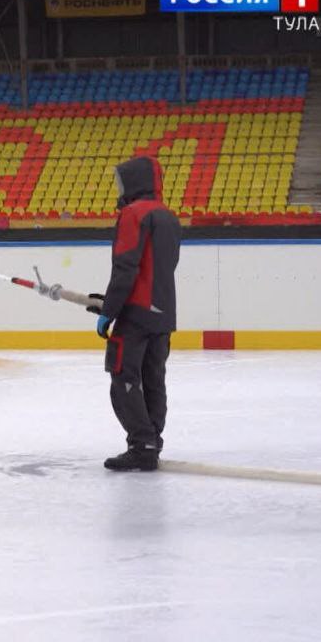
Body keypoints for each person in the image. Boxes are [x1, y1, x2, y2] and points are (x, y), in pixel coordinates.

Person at [87, 155, 181, 472]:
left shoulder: (133, 214)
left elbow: (126, 268)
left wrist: (110, 311)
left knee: (123, 376)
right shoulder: (168, 216)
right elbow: (152, 271)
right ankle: (152, 440)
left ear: (135, 182)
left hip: (136, 315)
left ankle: (141, 444)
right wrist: (110, 301)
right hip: (164, 312)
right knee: (154, 378)